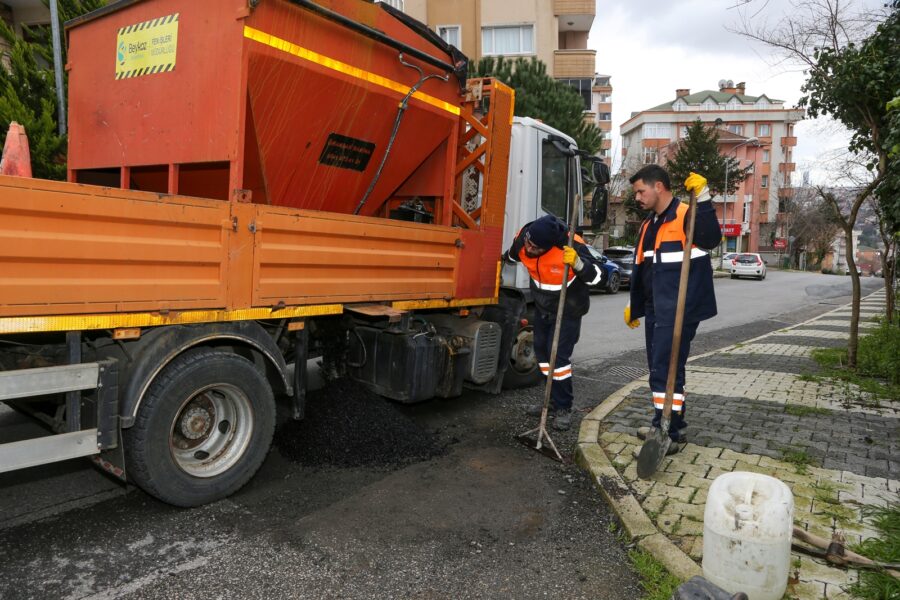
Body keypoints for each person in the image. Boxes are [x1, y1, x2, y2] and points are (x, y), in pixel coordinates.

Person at [624, 166, 720, 454]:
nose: (638, 197)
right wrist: (634, 304)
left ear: (659, 187)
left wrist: (702, 197)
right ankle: (664, 422)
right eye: (636, 193)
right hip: (657, 307)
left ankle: (671, 430)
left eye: (641, 191)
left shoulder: (685, 215)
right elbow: (644, 268)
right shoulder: (648, 224)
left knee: (667, 369)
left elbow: (710, 237)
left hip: (680, 306)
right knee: (660, 368)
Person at [504, 215, 605, 431]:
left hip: (568, 307)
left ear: (549, 246)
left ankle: (563, 407)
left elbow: (599, 277)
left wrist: (579, 264)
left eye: (536, 247)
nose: (529, 249)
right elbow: (510, 257)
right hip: (542, 306)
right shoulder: (523, 240)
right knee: (541, 354)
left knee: (558, 357)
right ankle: (549, 400)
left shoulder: (570, 245)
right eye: (528, 243)